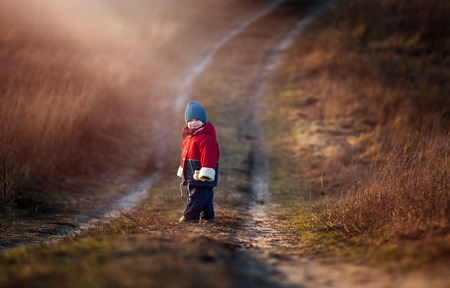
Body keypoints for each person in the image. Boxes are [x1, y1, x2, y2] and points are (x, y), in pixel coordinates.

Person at [177, 102, 220, 223]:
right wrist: (182, 168)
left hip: (202, 173)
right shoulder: (188, 138)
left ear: (203, 121)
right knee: (204, 195)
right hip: (191, 172)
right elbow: (184, 156)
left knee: (197, 196)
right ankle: (207, 216)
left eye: (197, 119)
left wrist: (206, 172)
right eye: (190, 120)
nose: (193, 122)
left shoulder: (206, 138)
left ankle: (189, 217)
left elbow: (209, 156)